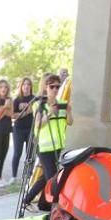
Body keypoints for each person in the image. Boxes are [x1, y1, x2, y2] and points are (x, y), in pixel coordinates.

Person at [23, 74, 72, 207]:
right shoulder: (39, 105)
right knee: (53, 177)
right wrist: (50, 113)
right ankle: (50, 204)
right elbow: (38, 124)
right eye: (52, 87)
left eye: (57, 86)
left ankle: (33, 200)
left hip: (57, 146)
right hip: (44, 147)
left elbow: (70, 122)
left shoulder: (62, 104)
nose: (55, 89)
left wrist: (69, 112)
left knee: (46, 176)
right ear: (46, 87)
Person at [10, 77, 36, 183]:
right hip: (18, 130)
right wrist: (26, 112)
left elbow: (37, 113)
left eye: (28, 84)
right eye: (24, 84)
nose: (26, 86)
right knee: (17, 153)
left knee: (29, 153)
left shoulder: (34, 99)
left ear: (31, 86)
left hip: (31, 129)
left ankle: (28, 175)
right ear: (21, 86)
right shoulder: (17, 100)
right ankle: (14, 176)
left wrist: (30, 110)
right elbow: (12, 115)